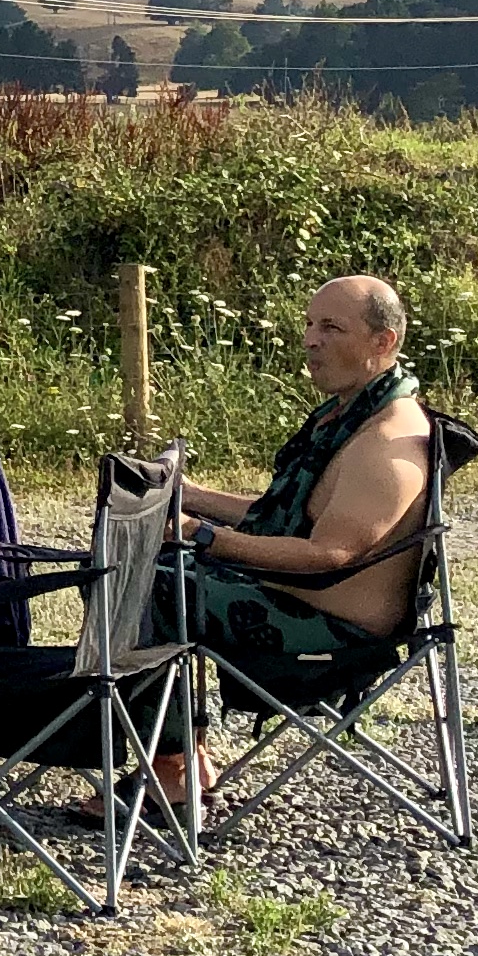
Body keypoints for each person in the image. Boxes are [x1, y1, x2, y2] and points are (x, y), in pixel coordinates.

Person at [171, 275, 434, 693]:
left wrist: (200, 533)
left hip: (333, 636)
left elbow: (327, 553)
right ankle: (179, 745)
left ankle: (172, 754)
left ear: (382, 342)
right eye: (310, 325)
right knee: (144, 562)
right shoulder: (350, 417)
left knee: (150, 584)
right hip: (297, 599)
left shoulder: (386, 444)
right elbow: (296, 513)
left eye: (331, 328)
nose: (311, 340)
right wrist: (193, 496)